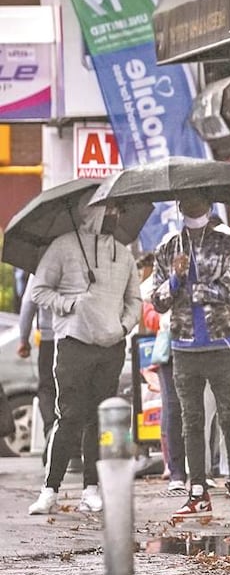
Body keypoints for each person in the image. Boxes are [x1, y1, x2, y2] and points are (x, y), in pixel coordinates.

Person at [28, 193, 141, 515]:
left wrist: (124, 326)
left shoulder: (123, 253)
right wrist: (71, 304)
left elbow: (135, 298)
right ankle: (50, 489)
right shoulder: (63, 246)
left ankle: (91, 489)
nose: (115, 214)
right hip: (74, 343)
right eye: (110, 209)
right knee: (70, 417)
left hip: (111, 345)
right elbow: (39, 291)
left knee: (99, 420)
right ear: (92, 212)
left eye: (119, 209)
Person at [151, 192, 230, 516]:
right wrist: (176, 278)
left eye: (198, 203)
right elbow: (158, 300)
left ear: (209, 206)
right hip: (183, 346)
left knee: (227, 417)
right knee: (190, 421)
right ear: (179, 207)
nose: (191, 208)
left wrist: (191, 287)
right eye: (186, 203)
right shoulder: (168, 248)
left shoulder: (224, 244)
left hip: (220, 342)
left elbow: (229, 289)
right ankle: (197, 489)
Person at [17, 275, 56, 463]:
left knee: (47, 388)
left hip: (49, 338)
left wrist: (23, 339)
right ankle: (71, 442)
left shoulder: (42, 265)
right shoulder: (83, 258)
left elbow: (29, 302)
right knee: (73, 387)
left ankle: (51, 429)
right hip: (78, 337)